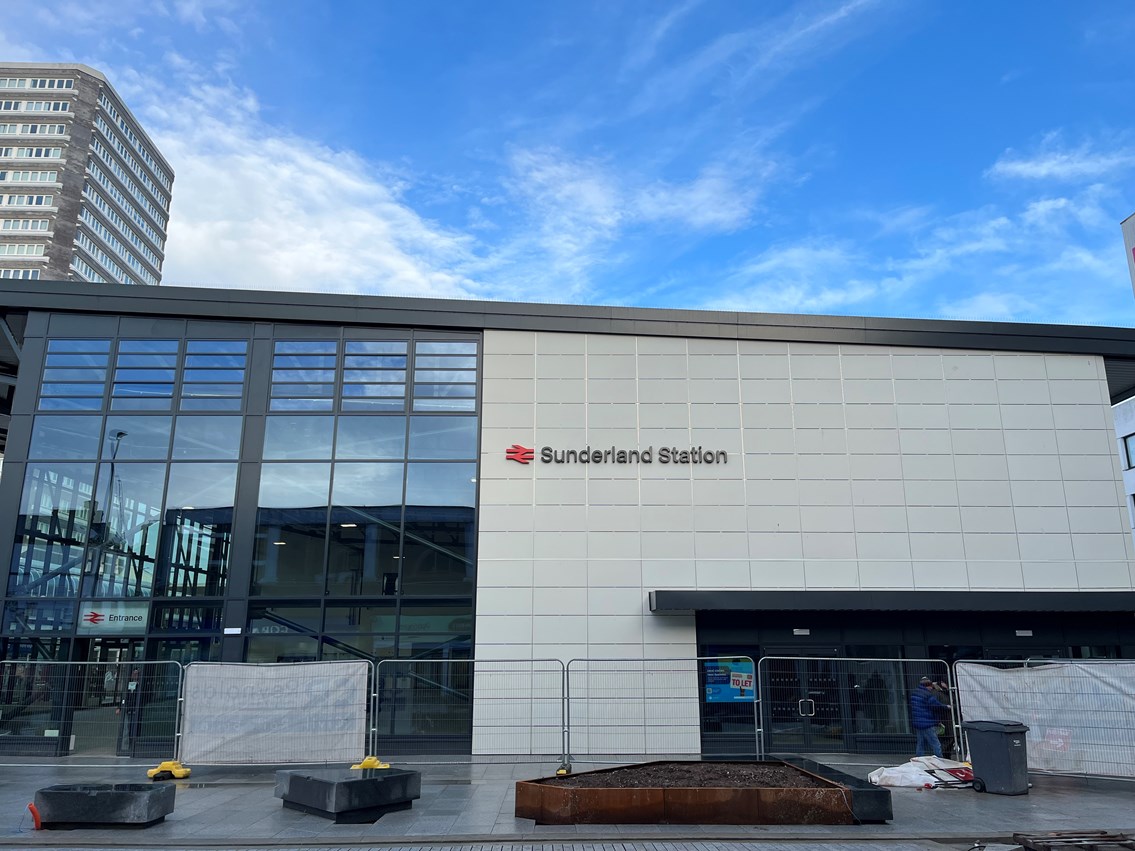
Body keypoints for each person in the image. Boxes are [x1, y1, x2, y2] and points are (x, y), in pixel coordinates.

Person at [909, 676, 949, 758]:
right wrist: (947, 706)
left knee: (921, 743)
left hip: (918, 722)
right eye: (931, 686)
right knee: (935, 743)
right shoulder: (927, 694)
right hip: (928, 722)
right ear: (928, 686)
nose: (932, 688)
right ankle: (940, 760)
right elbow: (936, 705)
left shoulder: (915, 693)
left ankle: (918, 759)